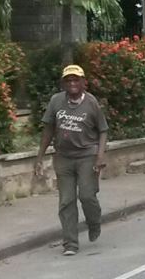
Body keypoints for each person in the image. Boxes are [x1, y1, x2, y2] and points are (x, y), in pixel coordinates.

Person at [35, 65, 109, 256]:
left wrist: (100, 156)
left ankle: (94, 222)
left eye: (76, 80)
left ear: (84, 83)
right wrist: (40, 157)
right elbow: (48, 130)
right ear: (63, 84)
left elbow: (103, 130)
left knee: (87, 195)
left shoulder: (91, 102)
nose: (72, 83)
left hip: (87, 156)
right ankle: (70, 243)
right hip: (64, 158)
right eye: (68, 80)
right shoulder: (56, 101)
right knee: (66, 201)